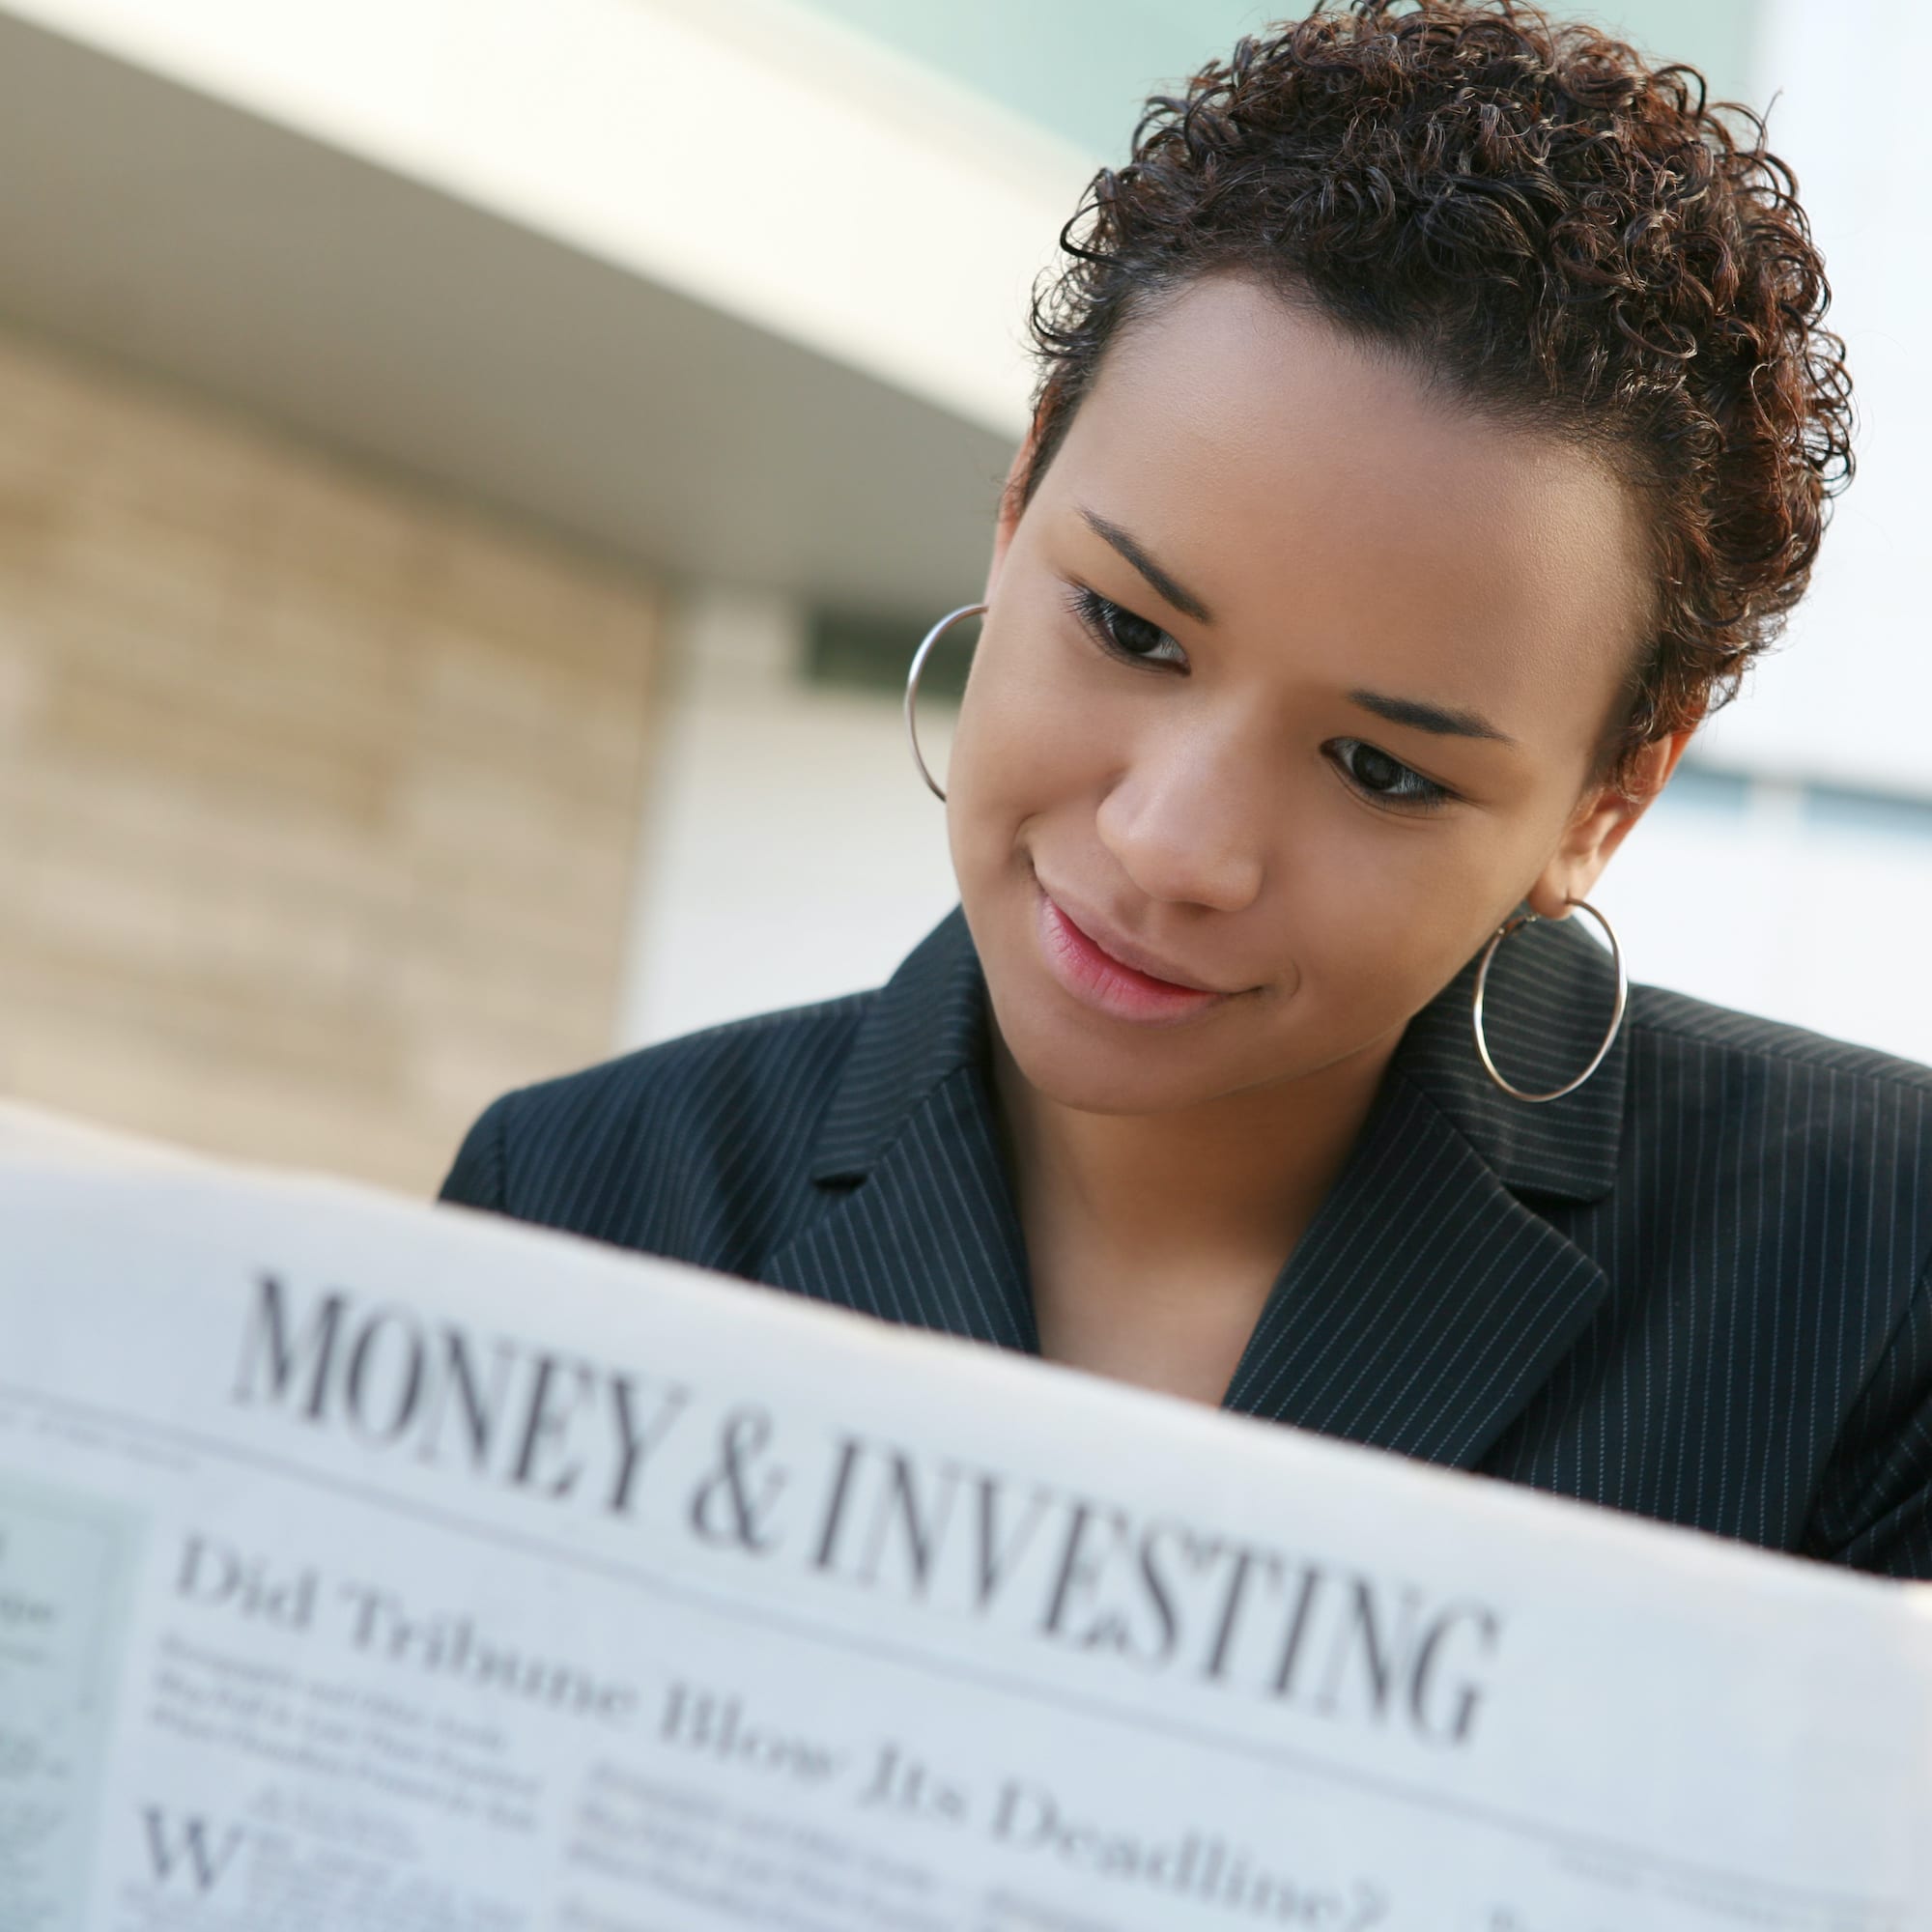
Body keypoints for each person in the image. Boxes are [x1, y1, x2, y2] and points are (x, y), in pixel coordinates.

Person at [440, 0, 1932, 1579]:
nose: (1172, 845)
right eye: (1131, 629)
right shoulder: (580, 1208)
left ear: (1604, 802)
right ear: (1021, 505)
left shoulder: (1878, 1288)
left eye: (1381, 767)